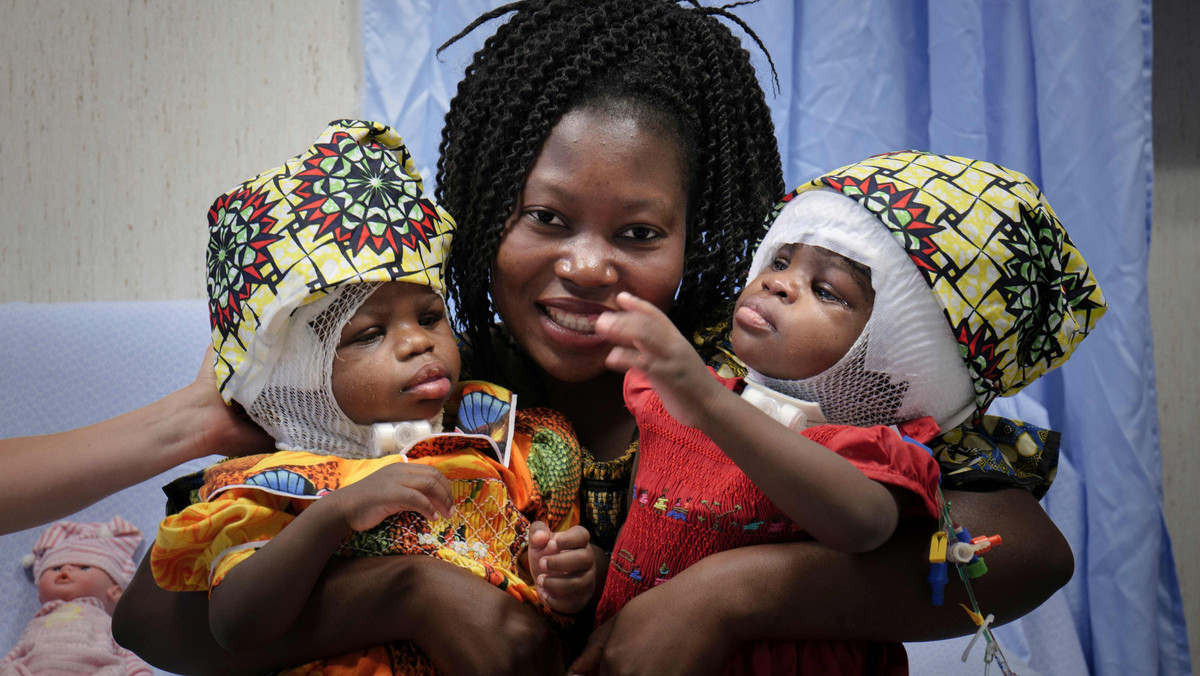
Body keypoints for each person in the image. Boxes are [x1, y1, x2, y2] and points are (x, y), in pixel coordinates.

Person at [104, 2, 1072, 675]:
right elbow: (158, 620)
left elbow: (1017, 553)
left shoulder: (770, 387)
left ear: (702, 233)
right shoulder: (411, 391)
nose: (587, 266)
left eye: (639, 233)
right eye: (547, 218)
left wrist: (740, 592)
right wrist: (406, 595)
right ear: (484, 212)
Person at [586, 150, 1106, 674]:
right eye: (781, 260)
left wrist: (709, 402)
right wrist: (596, 572)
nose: (777, 282)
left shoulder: (868, 449)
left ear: (899, 355)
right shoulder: (672, 392)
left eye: (827, 290)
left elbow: (864, 525)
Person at [148, 119, 595, 674]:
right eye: (369, 334)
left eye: (430, 316)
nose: (417, 341)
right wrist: (332, 516)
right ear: (299, 378)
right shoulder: (272, 487)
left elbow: (562, 587)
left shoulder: (504, 440)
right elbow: (237, 627)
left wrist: (573, 572)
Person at [1, 516, 152, 675]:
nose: (66, 569)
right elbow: (16, 653)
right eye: (56, 568)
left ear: (115, 592)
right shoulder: (38, 621)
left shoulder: (108, 623)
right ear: (41, 597)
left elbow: (127, 655)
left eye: (84, 568)